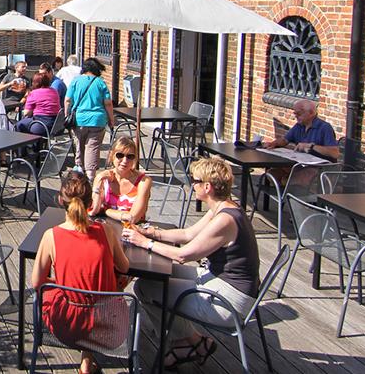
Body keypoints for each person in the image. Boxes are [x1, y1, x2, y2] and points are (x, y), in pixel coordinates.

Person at [123, 157, 260, 369]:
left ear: (208, 186)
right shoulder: (222, 208)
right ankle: (194, 342)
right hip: (219, 279)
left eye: (195, 181)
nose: (192, 185)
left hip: (229, 299)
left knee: (146, 287)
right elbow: (188, 234)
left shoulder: (225, 220)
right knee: (159, 277)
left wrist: (145, 243)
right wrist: (152, 233)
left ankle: (186, 344)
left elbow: (183, 255)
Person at [32, 171, 132, 374]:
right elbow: (125, 268)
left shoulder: (51, 236)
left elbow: (37, 283)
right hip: (110, 326)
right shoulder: (106, 231)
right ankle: (87, 360)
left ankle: (86, 361)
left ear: (61, 200)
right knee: (110, 285)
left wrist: (61, 281)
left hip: (67, 325)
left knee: (56, 292)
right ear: (90, 203)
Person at [65, 58, 114, 175]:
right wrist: (111, 119)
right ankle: (90, 175)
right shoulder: (100, 82)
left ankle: (79, 170)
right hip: (97, 120)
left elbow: (67, 100)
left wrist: (67, 115)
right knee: (92, 147)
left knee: (79, 145)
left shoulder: (76, 81)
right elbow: (108, 103)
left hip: (79, 119)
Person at [91, 137, 152, 225]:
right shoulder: (103, 178)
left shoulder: (143, 181)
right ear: (112, 155)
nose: (125, 161)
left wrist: (106, 210)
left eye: (130, 156)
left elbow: (133, 218)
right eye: (120, 155)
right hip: (107, 229)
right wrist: (99, 179)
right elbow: (94, 211)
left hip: (132, 232)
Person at [264, 99, 340, 160]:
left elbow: (335, 153)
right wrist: (273, 144)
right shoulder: (299, 126)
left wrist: (311, 147)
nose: (296, 116)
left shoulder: (324, 127)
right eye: (295, 114)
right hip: (301, 163)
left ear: (311, 113)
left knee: (295, 174)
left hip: (318, 167)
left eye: (299, 114)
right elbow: (285, 140)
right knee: (274, 172)